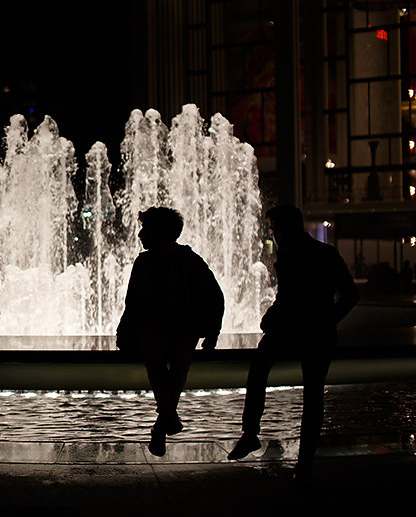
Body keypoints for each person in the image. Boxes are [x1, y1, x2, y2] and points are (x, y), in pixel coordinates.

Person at [227, 205, 359, 480]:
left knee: (267, 372)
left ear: (287, 229)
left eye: (274, 230)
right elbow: (295, 298)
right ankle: (300, 460)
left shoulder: (307, 255)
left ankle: (253, 434)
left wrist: (324, 319)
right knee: (310, 393)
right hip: (307, 331)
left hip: (307, 332)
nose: (273, 236)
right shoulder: (312, 253)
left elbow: (346, 294)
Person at [116, 207, 224, 457]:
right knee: (173, 364)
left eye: (145, 229)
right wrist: (125, 331)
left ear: (159, 232)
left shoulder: (187, 260)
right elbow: (132, 303)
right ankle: (166, 419)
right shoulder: (146, 261)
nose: (140, 234)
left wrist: (212, 333)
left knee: (161, 361)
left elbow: (214, 296)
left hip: (179, 329)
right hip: (164, 330)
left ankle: (162, 422)